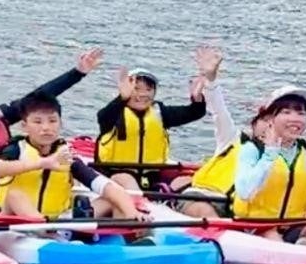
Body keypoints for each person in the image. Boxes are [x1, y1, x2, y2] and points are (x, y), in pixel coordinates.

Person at [0, 48, 104, 215]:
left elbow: (38, 96)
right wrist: (14, 170)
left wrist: (78, 72)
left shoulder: (0, 116)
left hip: (12, 182)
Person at [187, 86, 306, 249]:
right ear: (270, 119)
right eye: (286, 112)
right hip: (254, 226)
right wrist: (269, 155)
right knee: (271, 236)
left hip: (293, 224)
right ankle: (296, 256)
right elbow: (245, 191)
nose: (295, 118)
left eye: (301, 113)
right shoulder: (252, 150)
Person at [0, 93, 145, 224]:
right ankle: (43, 227)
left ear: (60, 123)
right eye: (37, 122)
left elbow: (104, 185)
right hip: (14, 221)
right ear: (24, 126)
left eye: (52, 121)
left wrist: (132, 211)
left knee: (113, 198)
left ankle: (126, 239)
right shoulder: (15, 149)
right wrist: (42, 163)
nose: (46, 128)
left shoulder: (66, 156)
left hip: (57, 220)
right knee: (15, 194)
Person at [94, 45, 223, 191]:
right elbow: (102, 117)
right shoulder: (115, 112)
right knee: (126, 178)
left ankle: (166, 198)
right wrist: (121, 98)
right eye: (136, 89)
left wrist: (197, 98)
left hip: (151, 176)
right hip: (116, 176)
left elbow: (194, 113)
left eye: (148, 90)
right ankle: (140, 205)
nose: (143, 95)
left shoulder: (160, 112)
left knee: (188, 179)